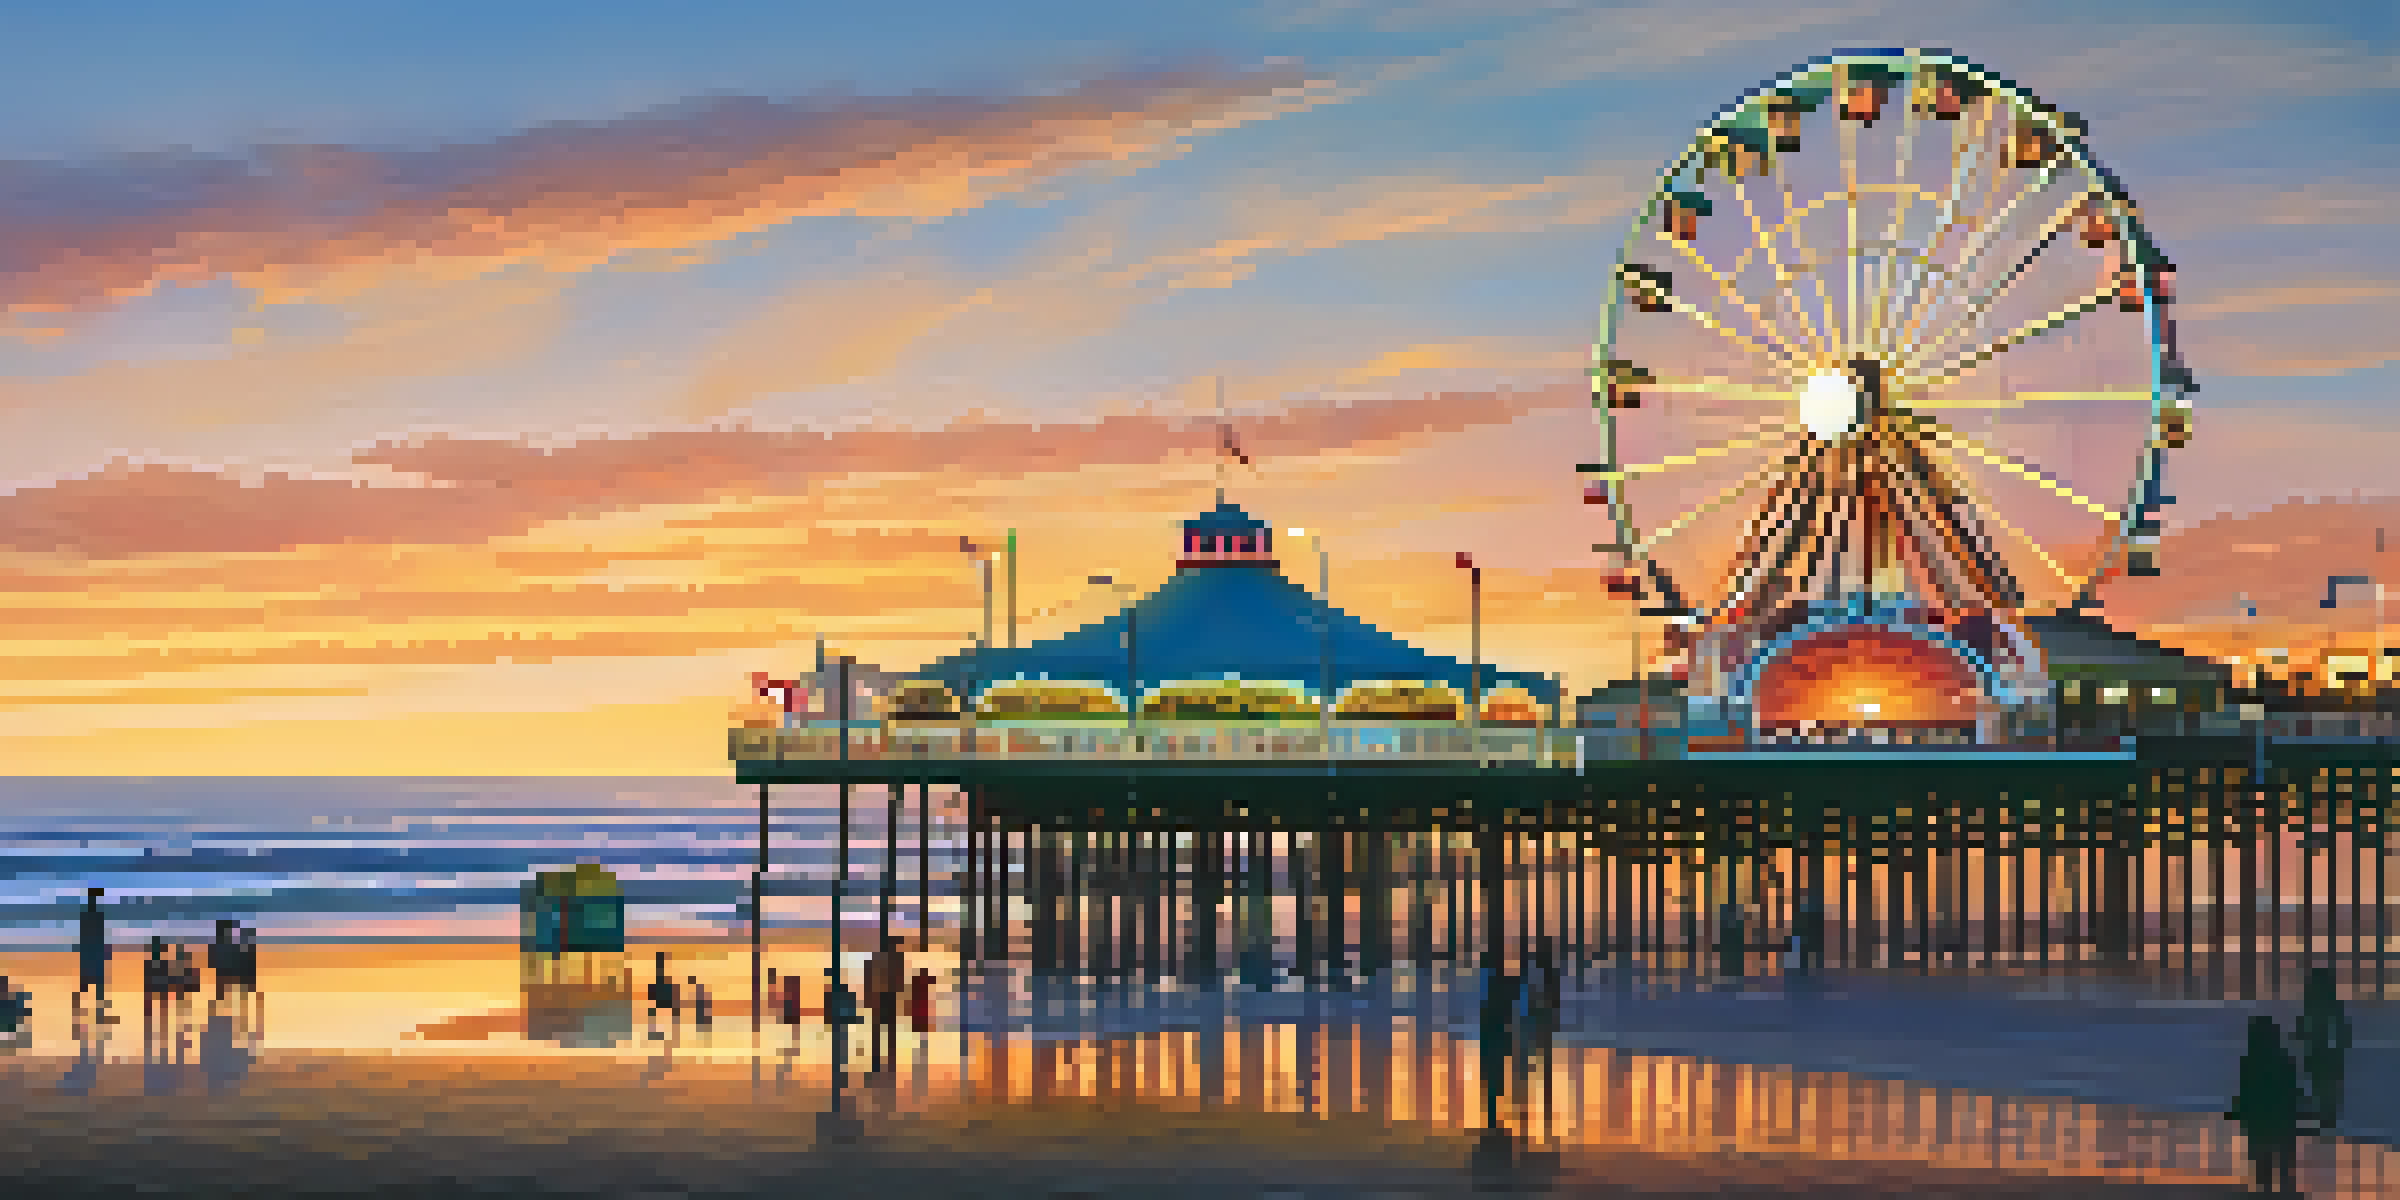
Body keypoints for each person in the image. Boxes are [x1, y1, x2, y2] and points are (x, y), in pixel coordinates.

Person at [2227, 1014, 2307, 1195]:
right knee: (2282, 1172)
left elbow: (2244, 1095)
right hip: (2281, 1125)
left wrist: (2238, 1113)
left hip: (2261, 1126)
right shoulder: (2284, 1060)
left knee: (2264, 1173)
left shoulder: (2251, 1062)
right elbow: (2293, 1093)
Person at [2295, 966, 2353, 1130]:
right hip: (2324, 1053)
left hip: (2319, 1052)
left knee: (2321, 1086)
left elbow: (2305, 1027)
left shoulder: (2314, 1005)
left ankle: (2325, 1117)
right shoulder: (2330, 1005)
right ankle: (2326, 1117)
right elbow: (2341, 1030)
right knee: (2324, 1086)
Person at [864, 936, 905, 1068]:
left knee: (879, 1030)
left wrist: (869, 997)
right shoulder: (896, 960)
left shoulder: (875, 959)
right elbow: (899, 981)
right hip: (887, 998)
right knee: (888, 1030)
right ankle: (889, 1062)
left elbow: (868, 979)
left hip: (880, 998)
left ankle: (878, 1062)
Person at [76, 888, 111, 1003]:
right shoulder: (92, 916)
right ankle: (91, 999)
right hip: (92, 950)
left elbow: (98, 935)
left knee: (92, 976)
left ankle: (89, 999)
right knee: (91, 976)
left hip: (92, 950)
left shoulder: (90, 916)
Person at [908, 966, 936, 1035]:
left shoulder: (915, 979)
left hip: (919, 1000)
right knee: (920, 1013)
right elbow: (934, 980)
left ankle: (919, 1029)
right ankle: (920, 1029)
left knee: (919, 1014)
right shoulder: (917, 979)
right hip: (921, 1000)